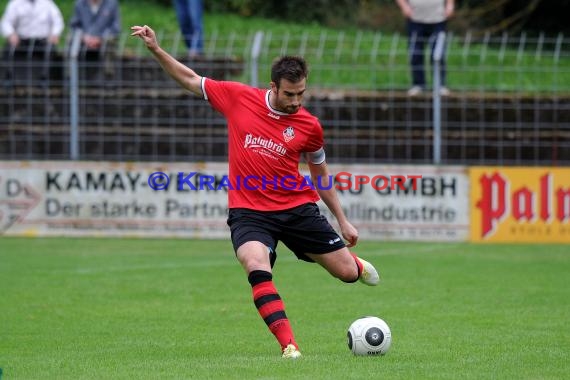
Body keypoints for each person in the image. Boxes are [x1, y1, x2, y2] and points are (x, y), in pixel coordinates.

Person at [131, 24, 380, 359]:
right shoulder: (238, 98)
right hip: (249, 212)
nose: (295, 101)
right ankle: (289, 345)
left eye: (301, 94)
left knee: (347, 274)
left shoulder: (309, 126)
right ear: (273, 86)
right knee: (254, 263)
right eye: (289, 94)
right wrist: (156, 50)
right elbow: (192, 80)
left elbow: (320, 176)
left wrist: (343, 220)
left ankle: (350, 262)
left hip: (296, 209)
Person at [396, 0, 454, 96]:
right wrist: (404, 6)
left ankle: (440, 85)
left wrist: (450, 4)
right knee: (415, 54)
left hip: (438, 18)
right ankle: (418, 85)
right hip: (415, 19)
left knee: (438, 54)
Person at [1, 0, 64, 84]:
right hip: (21, 39)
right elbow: (6, 22)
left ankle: (46, 78)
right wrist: (11, 34)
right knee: (8, 50)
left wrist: (55, 34)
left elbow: (58, 21)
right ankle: (8, 78)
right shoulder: (15, 3)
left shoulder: (48, 3)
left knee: (51, 51)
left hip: (42, 40)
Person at [69, 0, 121, 81]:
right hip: (83, 40)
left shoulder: (112, 3)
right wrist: (84, 37)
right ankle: (70, 74)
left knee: (111, 41)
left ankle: (108, 76)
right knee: (70, 39)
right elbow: (74, 25)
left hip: (104, 41)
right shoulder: (79, 3)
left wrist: (100, 38)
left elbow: (115, 27)